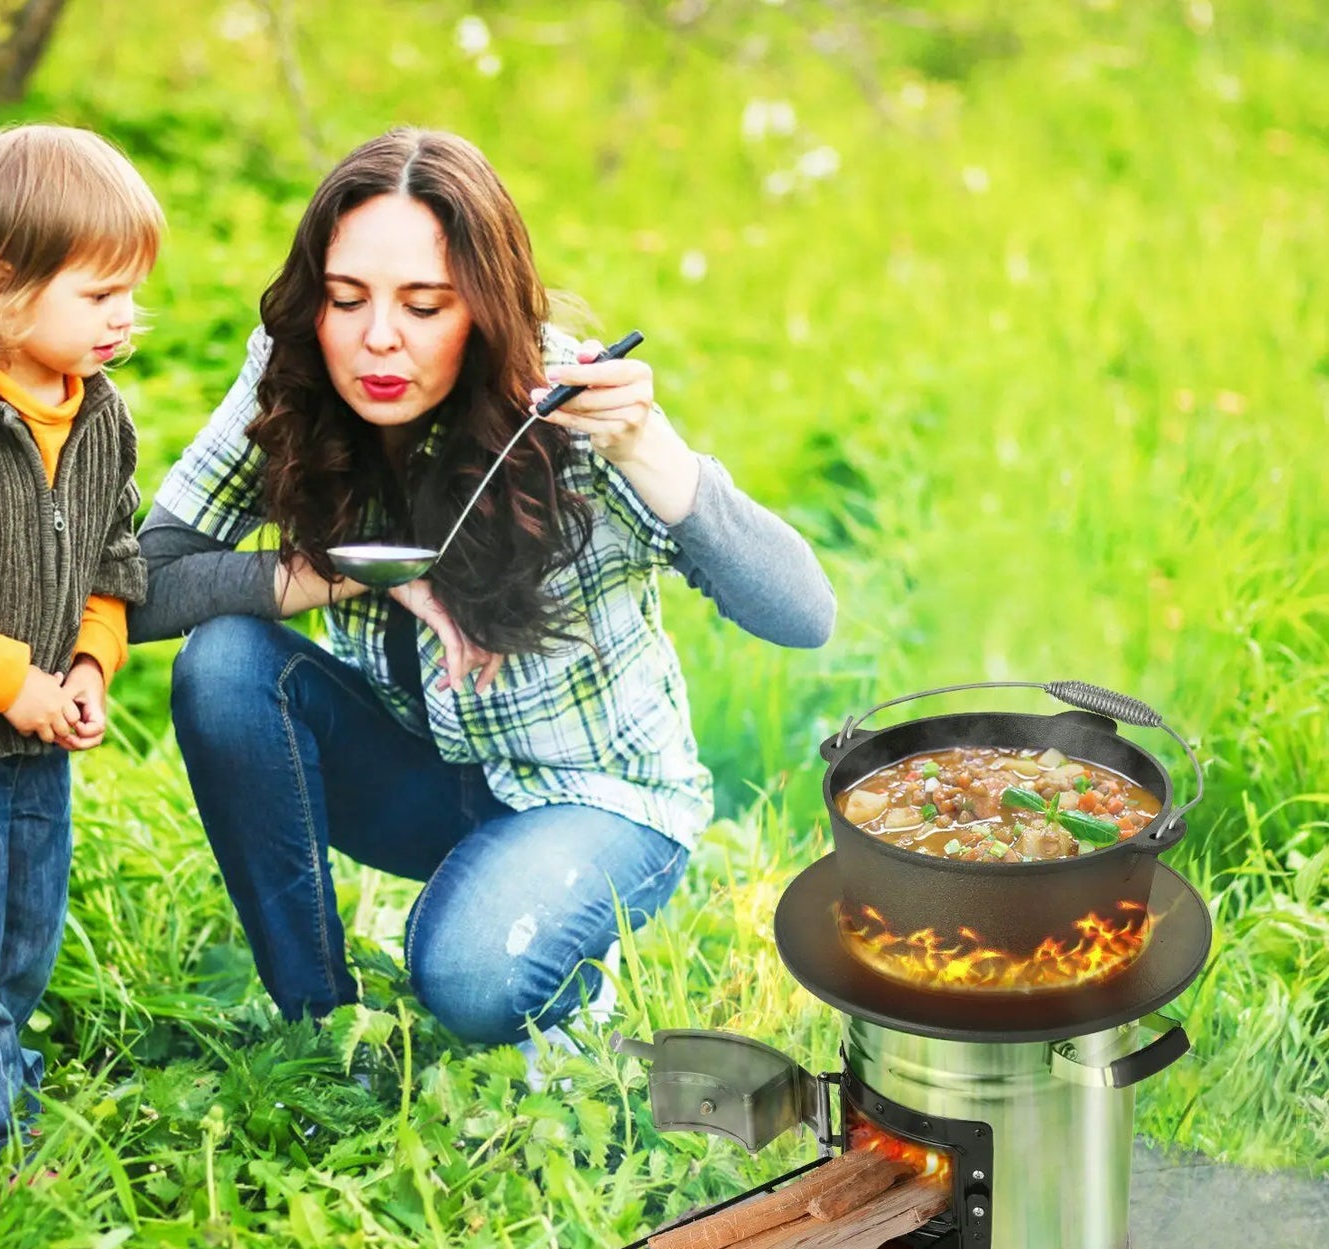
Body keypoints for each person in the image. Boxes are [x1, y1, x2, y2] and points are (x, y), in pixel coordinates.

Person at [130, 128, 835, 1051]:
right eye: (347, 299)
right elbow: (144, 583)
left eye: (424, 305)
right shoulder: (297, 372)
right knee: (222, 662)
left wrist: (652, 451)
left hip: (599, 799)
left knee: (466, 980)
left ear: (485, 308)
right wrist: (346, 567)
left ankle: (552, 942)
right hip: (423, 776)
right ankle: (317, 1027)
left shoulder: (569, 406)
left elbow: (802, 615)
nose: (377, 338)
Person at [0, 125, 162, 1159]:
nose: (126, 318)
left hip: (39, 749)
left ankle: (7, 1071)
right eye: (100, 296)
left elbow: (116, 555)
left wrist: (93, 662)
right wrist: (14, 680)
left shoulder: (102, 419)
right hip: (6, 714)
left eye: (133, 293)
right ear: (3, 286)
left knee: (23, 939)